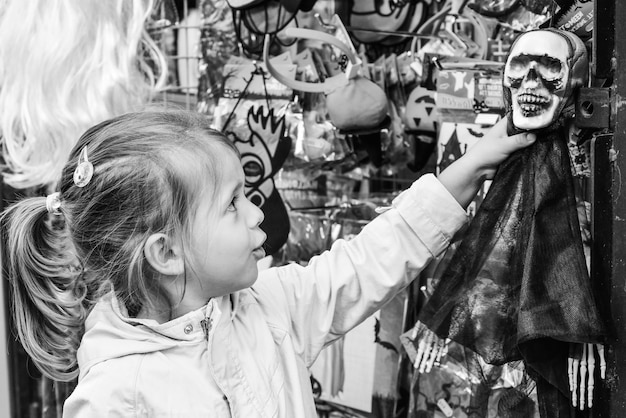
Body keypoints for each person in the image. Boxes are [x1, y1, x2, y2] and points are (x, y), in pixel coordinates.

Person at [0, 110, 535, 417]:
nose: (257, 212)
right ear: (165, 253)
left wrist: (468, 170)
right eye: (232, 203)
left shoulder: (267, 307)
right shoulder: (117, 394)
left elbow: (365, 263)